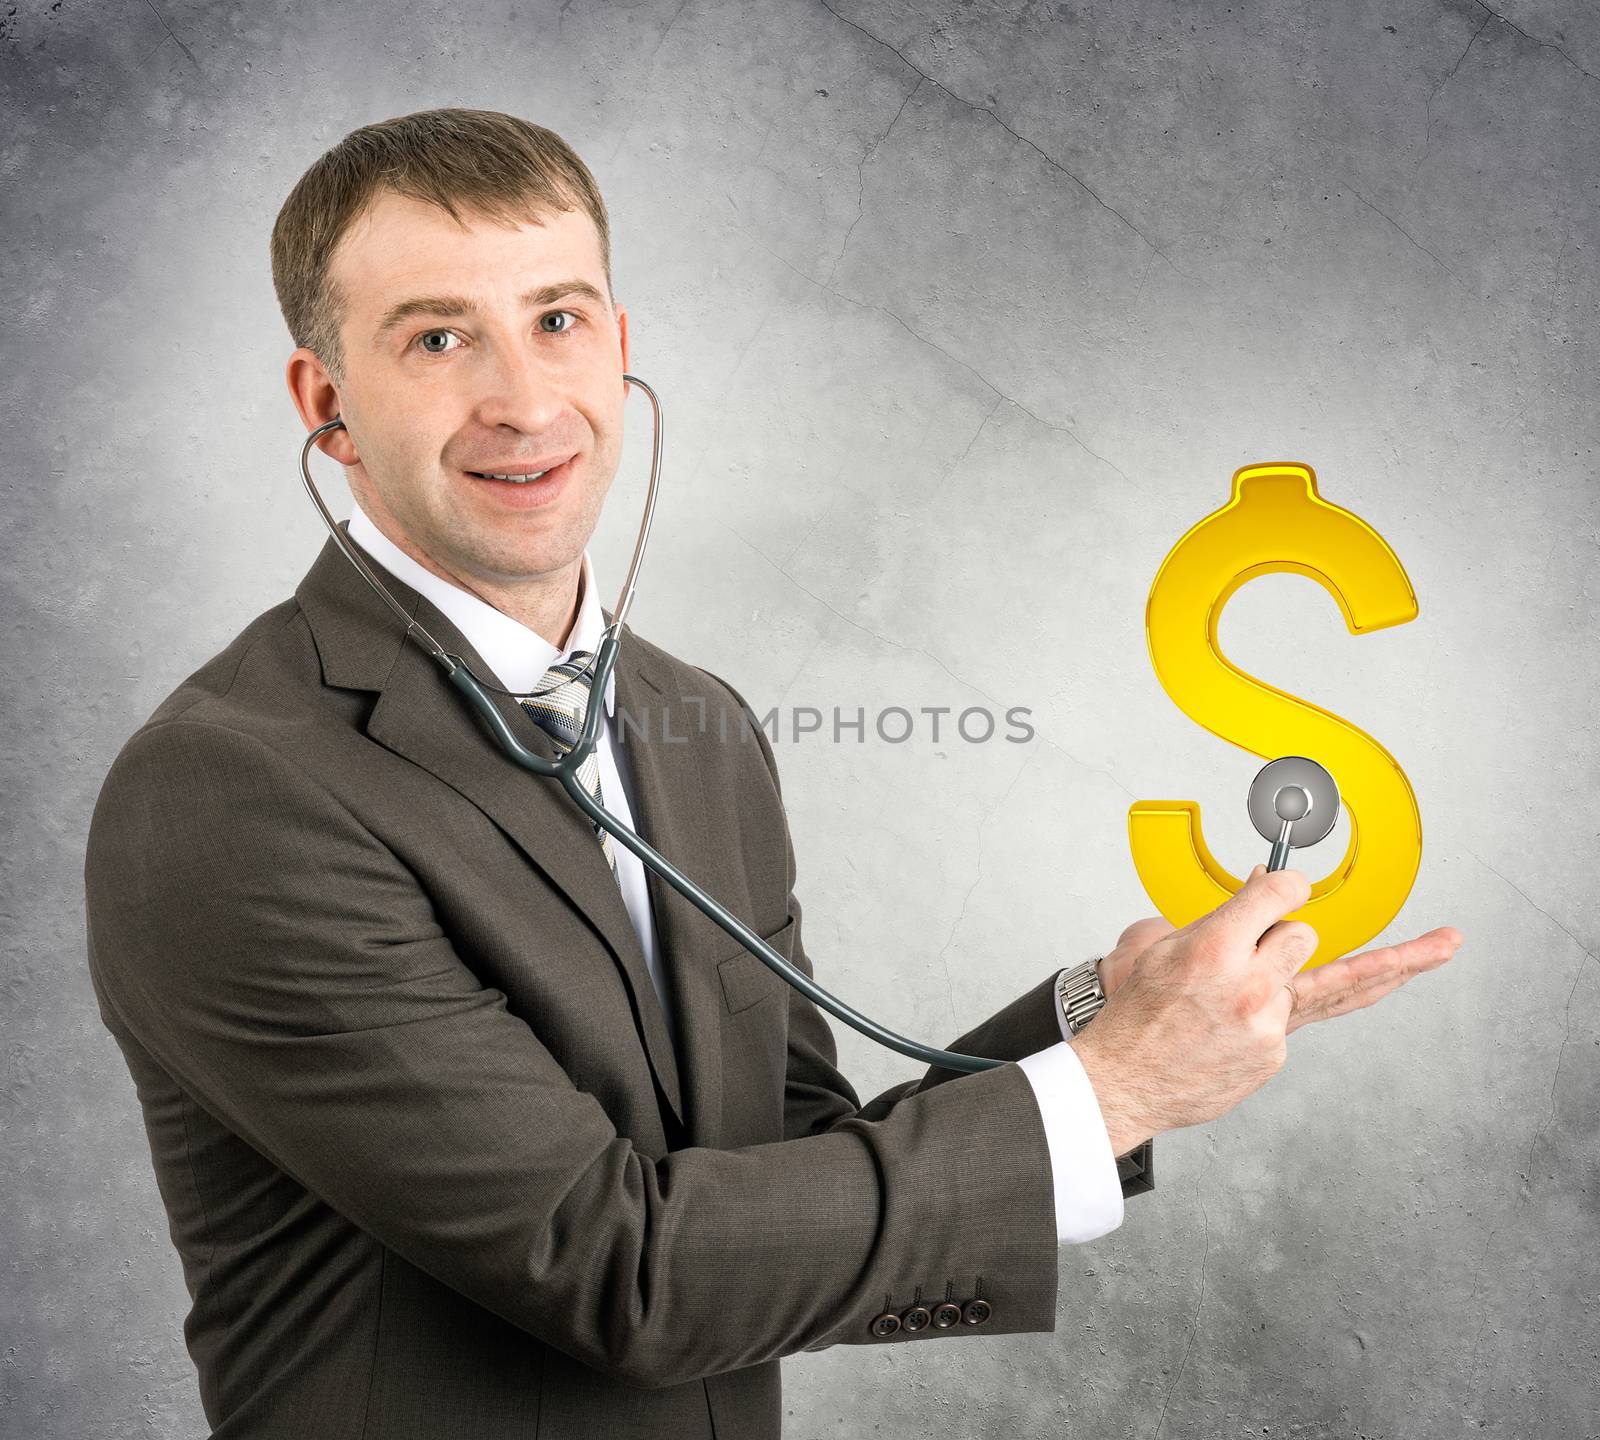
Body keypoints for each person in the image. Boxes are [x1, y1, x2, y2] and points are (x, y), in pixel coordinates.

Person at [81, 108, 1463, 1440]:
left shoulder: (695, 724)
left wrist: (1115, 1012)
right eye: (438, 337)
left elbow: (786, 1206)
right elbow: (626, 1271)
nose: (523, 399)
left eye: (558, 320)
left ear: (619, 349)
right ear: (326, 402)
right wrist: (1115, 1090)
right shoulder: (233, 792)